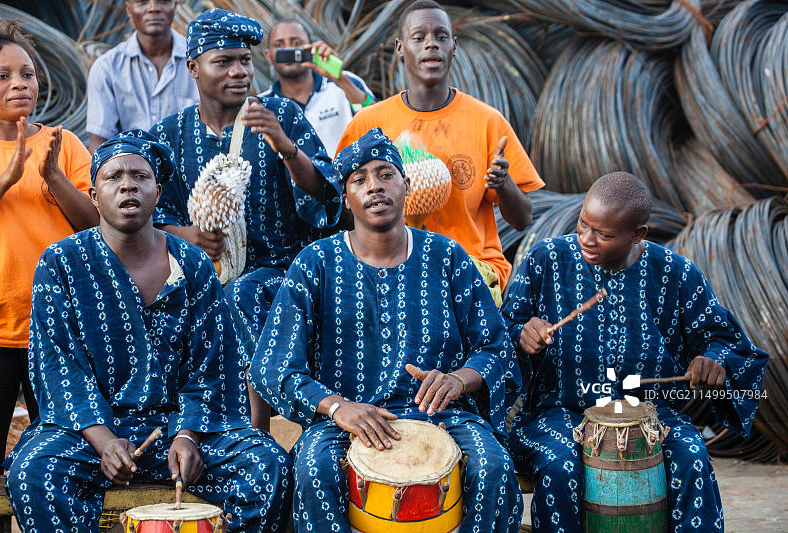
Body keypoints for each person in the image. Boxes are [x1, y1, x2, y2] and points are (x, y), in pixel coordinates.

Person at [3, 130, 292, 533]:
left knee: (267, 464)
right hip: (90, 432)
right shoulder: (62, 262)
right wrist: (104, 442)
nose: (127, 185)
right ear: (93, 195)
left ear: (158, 192)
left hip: (184, 428)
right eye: (113, 177)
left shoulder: (193, 265)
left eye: (140, 176)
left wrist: (189, 436)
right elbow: (58, 367)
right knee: (35, 472)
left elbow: (212, 366)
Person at [252, 128, 524, 531]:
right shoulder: (315, 263)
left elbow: (497, 346)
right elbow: (273, 367)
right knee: (313, 470)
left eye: (385, 174)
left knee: (493, 467)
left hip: (442, 415)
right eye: (359, 180)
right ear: (346, 198)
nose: (374, 186)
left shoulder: (447, 256)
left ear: (406, 184)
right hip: (342, 422)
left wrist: (458, 381)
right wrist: (336, 406)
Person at [500, 172, 769, 532]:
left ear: (637, 234)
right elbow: (501, 332)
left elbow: (727, 341)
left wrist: (714, 361)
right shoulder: (546, 260)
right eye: (583, 224)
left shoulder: (674, 272)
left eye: (604, 235)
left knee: (691, 455)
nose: (586, 239)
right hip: (558, 412)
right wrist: (522, 333)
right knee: (559, 465)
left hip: (652, 416)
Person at [150, 9, 341, 429]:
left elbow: (327, 199)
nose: (239, 72)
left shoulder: (280, 115)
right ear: (193, 68)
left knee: (242, 294)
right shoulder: (169, 135)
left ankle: (256, 429)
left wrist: (284, 145)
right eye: (224, 62)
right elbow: (147, 213)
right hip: (206, 279)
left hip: (284, 273)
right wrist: (185, 235)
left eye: (245, 60)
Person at [338, 0, 544, 305]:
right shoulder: (369, 124)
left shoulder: (487, 121)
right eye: (419, 37)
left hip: (471, 268)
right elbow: (341, 205)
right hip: (391, 268)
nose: (431, 44)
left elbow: (524, 219)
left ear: (454, 46)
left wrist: (504, 184)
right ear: (399, 47)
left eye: (441, 36)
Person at [0, 20, 98, 477]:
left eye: (27, 73)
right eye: (2, 75)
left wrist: (52, 176)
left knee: (64, 458)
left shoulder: (64, 144)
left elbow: (97, 225)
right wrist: (7, 179)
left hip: (58, 330)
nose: (19, 83)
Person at [86, 0, 199, 153]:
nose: (153, 8)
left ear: (175, 5)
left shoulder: (201, 61)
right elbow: (100, 143)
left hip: (193, 171)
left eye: (163, 1)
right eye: (142, 1)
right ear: (129, 9)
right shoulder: (107, 68)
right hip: (131, 171)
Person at [262, 19, 375, 156]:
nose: (289, 49)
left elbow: (376, 120)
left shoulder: (344, 81)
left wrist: (341, 80)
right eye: (279, 44)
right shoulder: (263, 104)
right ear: (269, 56)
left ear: (311, 48)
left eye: (297, 43)